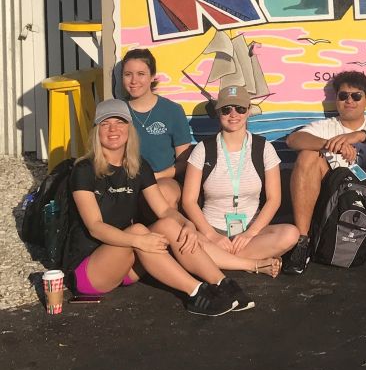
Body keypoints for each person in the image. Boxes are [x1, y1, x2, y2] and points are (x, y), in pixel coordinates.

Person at [63, 99, 251, 316]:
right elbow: (95, 227)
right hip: (90, 271)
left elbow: (164, 211)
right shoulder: (84, 170)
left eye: (120, 122)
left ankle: (221, 283)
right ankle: (195, 293)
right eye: (105, 124)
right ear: (96, 131)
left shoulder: (138, 165)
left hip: (128, 263)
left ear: (129, 129)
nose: (113, 129)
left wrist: (187, 224)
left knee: (170, 224)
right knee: (138, 230)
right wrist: (138, 240)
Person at [284, 71, 366, 274]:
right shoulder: (326, 127)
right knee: (307, 155)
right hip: (332, 195)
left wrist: (359, 136)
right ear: (336, 99)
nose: (349, 101)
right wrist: (331, 145)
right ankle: (302, 243)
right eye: (343, 96)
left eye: (356, 96)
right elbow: (293, 140)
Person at [181, 85, 300, 279]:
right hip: (210, 231)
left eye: (240, 108)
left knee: (290, 234)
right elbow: (188, 201)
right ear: (218, 112)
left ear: (248, 111)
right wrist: (212, 235)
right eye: (226, 109)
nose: (233, 114)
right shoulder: (203, 149)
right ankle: (252, 264)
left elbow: (274, 199)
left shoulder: (264, 148)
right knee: (186, 242)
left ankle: (220, 261)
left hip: (250, 233)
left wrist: (250, 234)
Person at [121, 48, 193, 208]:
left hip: (163, 181)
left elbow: (183, 163)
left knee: (162, 195)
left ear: (152, 76)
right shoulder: (117, 112)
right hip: (126, 184)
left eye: (141, 74)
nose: (134, 80)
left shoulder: (172, 110)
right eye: (128, 74)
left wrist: (153, 177)